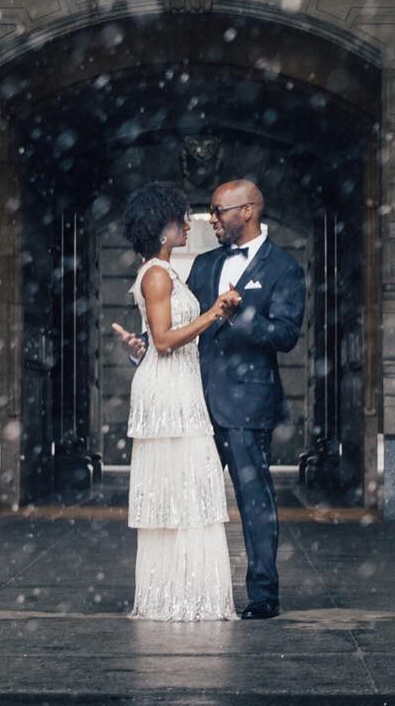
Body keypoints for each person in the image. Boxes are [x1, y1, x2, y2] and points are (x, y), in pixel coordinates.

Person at [115, 178, 305, 620]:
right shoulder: (201, 264)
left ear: (248, 211)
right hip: (190, 404)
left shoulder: (284, 269)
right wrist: (146, 344)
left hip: (245, 405)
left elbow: (286, 335)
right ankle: (184, 591)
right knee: (185, 501)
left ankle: (262, 595)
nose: (212, 218)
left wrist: (239, 319)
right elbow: (178, 325)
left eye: (220, 211)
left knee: (254, 500)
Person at [115, 181, 242, 621]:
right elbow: (167, 340)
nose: (187, 224)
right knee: (181, 490)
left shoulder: (165, 272)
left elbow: (156, 338)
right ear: (161, 226)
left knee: (188, 490)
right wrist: (214, 313)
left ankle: (188, 595)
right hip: (169, 391)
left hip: (179, 386)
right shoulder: (155, 273)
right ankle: (177, 597)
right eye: (180, 218)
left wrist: (141, 346)